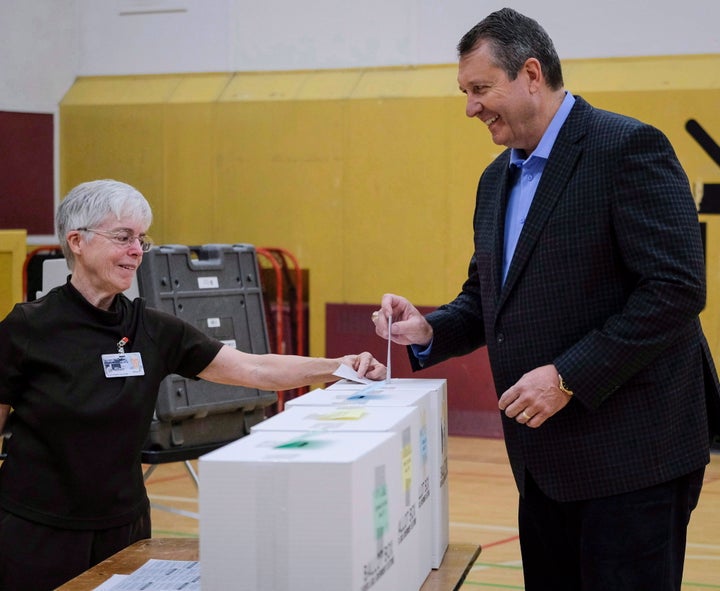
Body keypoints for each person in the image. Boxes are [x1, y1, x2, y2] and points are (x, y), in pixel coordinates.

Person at [373, 8, 720, 591]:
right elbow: (489, 296)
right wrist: (430, 330)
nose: (469, 107)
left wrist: (566, 377)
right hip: (542, 466)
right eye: (464, 92)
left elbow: (677, 289)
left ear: (531, 73)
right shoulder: (495, 179)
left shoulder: (627, 147)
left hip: (634, 463)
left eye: (480, 89)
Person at [0, 179, 386, 590]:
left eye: (141, 240)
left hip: (124, 531)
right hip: (36, 531)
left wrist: (338, 367)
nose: (136, 250)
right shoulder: (28, 327)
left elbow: (253, 368)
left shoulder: (151, 328)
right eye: (123, 237)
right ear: (77, 241)